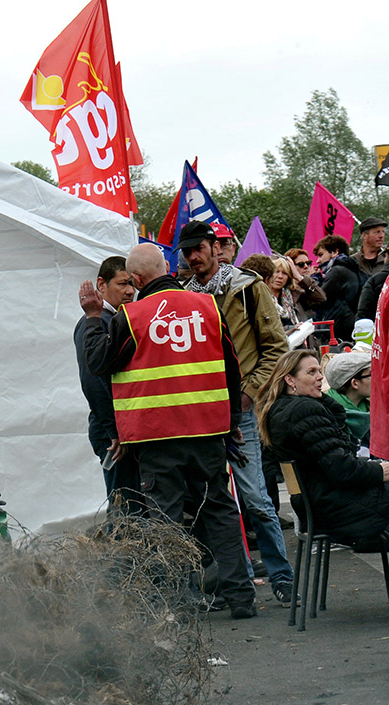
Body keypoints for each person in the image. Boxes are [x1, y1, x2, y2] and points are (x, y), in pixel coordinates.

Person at [79, 242, 258, 619]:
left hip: (157, 438)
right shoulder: (207, 306)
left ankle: (181, 604)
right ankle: (242, 598)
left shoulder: (132, 316)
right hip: (207, 433)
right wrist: (231, 426)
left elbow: (98, 361)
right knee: (220, 513)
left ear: (139, 279)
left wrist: (94, 316)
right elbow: (232, 368)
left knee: (167, 523)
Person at [180, 220, 295, 607]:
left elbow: (276, 347)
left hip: (240, 409)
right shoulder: (183, 297)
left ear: (215, 247)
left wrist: (247, 395)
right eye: (187, 251)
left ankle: (282, 577)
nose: (193, 256)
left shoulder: (247, 287)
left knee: (255, 498)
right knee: (218, 501)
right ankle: (241, 580)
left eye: (199, 248)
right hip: (204, 413)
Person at [258, 349, 389, 543]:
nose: (320, 377)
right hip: (337, 509)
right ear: (290, 380)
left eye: (319, 371)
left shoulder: (281, 408)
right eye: (311, 372)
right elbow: (342, 469)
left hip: (316, 506)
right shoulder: (304, 410)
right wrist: (379, 471)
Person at [74, 256, 142, 514]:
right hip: (112, 432)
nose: (130, 291)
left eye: (133, 284)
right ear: (101, 284)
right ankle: (123, 555)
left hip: (118, 428)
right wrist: (116, 430)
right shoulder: (97, 323)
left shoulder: (113, 320)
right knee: (125, 507)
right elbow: (93, 383)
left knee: (130, 502)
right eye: (123, 283)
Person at [307, 235, 362, 342]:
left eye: (321, 255)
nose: (318, 261)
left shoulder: (337, 271)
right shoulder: (349, 268)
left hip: (337, 328)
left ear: (335, 252)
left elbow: (320, 298)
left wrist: (313, 279)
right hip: (347, 326)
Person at [323, 351, 372, 447]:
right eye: (372, 374)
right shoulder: (327, 415)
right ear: (355, 383)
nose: (377, 379)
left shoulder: (370, 410)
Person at [282, 249, 326, 321]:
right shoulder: (286, 291)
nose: (306, 266)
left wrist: (300, 278)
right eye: (301, 264)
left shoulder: (309, 286)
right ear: (290, 267)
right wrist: (297, 277)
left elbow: (322, 298)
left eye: (308, 263)